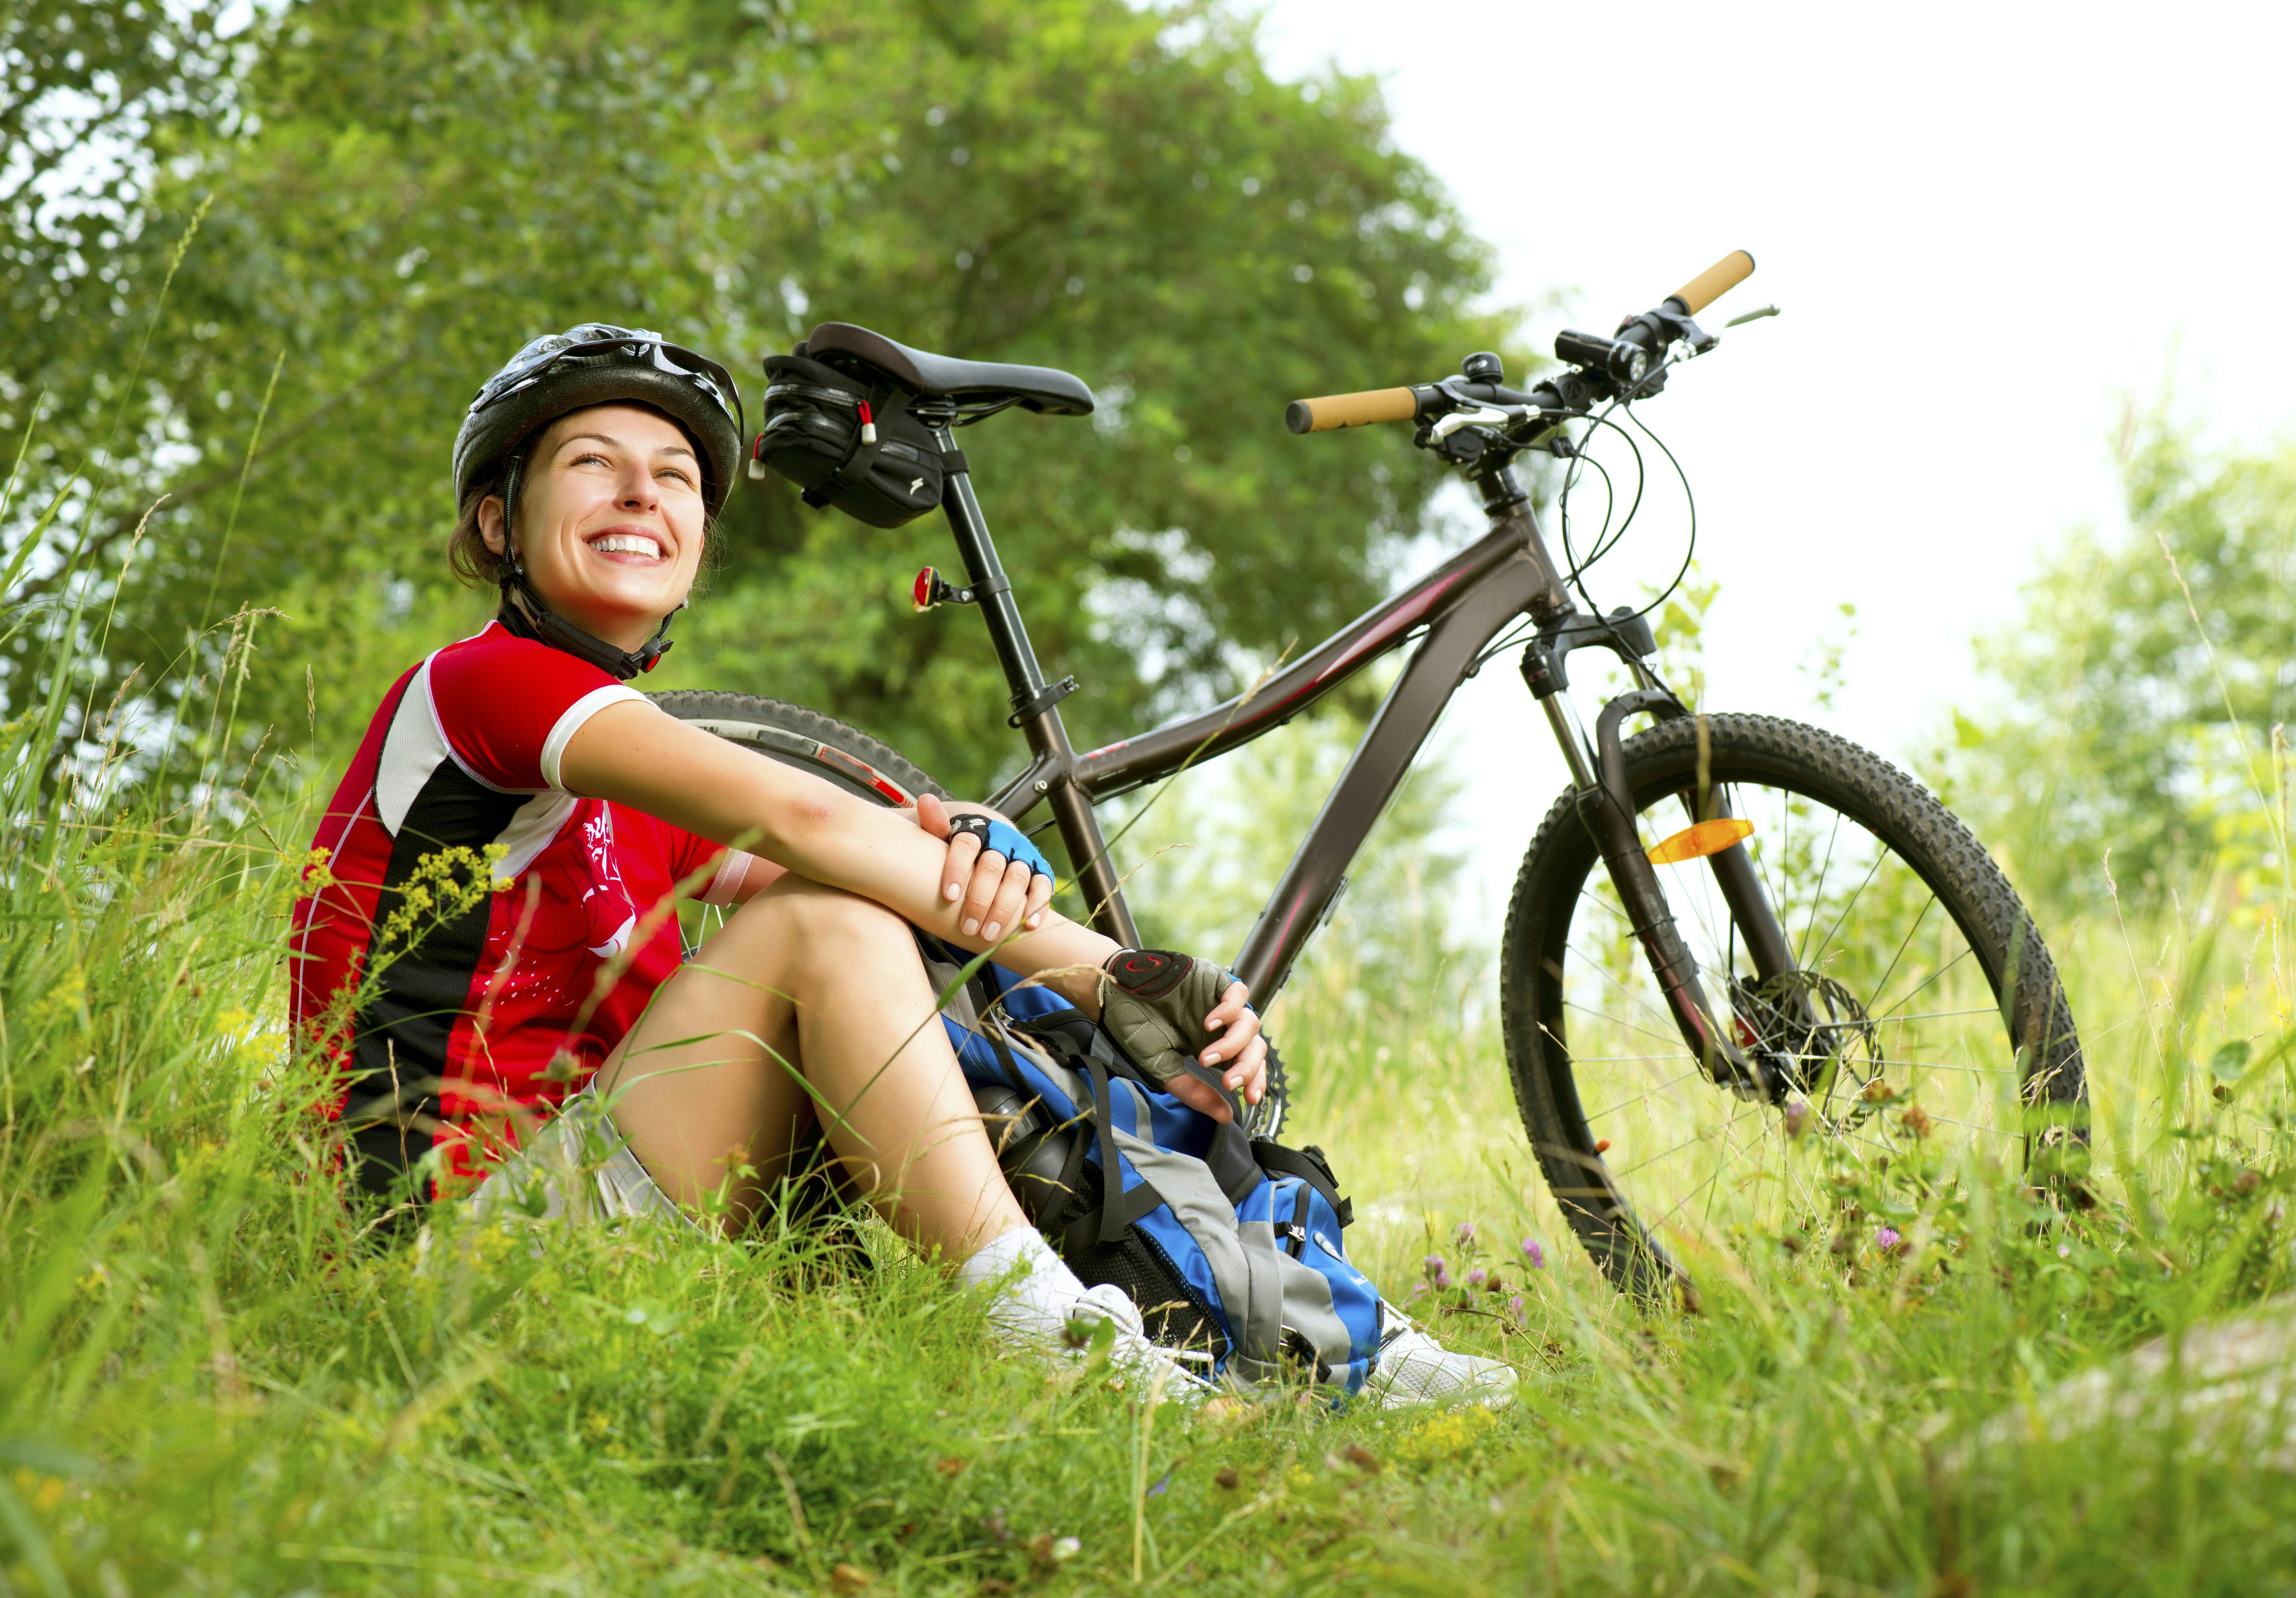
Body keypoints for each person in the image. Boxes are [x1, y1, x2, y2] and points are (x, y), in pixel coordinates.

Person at [289, 322, 1511, 1404]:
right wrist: (1117, 971)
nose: (640, 496)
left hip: (599, 1219)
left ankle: (1305, 1321)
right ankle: (1053, 1336)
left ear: (700, 545)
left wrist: (1130, 981)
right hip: (444, 1249)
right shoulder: (482, 685)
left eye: (674, 480)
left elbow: (889, 900)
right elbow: (819, 846)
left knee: (973, 987)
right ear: (500, 520)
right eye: (591, 465)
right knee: (844, 927)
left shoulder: (631, 776)